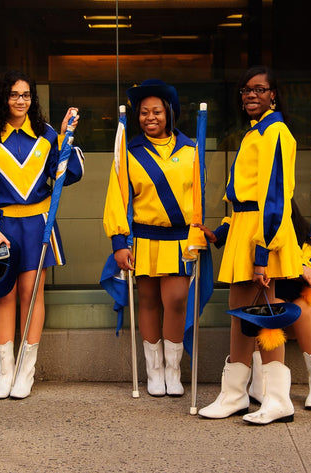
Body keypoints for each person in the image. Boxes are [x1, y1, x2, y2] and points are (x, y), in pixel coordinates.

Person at [195, 65, 303, 424]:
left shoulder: (276, 132)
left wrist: (262, 255)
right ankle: (235, 395)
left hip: (264, 234)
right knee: (241, 317)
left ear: (274, 93)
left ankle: (277, 400)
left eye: (259, 89)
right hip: (245, 228)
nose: (251, 95)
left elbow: (274, 198)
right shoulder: (252, 134)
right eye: (245, 90)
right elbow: (242, 197)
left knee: (268, 317)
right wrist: (223, 233)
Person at [0, 70, 83, 400]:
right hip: (2, 226)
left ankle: (25, 371)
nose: (21, 101)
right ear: (3, 98)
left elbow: (66, 175)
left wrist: (64, 137)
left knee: (31, 294)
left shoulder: (46, 134)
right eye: (15, 95)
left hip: (37, 223)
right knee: (3, 293)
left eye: (26, 95)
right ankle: (4, 371)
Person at [103, 79, 197, 397]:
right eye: (144, 112)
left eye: (156, 111)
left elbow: (198, 199)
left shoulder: (191, 150)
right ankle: (154, 371)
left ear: (169, 113)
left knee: (176, 301)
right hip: (143, 238)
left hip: (180, 240)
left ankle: (174, 369)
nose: (150, 117)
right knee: (148, 302)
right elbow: (116, 198)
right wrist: (119, 242)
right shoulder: (128, 153)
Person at [248, 198, 311, 410]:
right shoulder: (256, 241)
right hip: (269, 302)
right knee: (270, 308)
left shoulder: (309, 240)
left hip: (297, 307)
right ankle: (262, 382)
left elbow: (310, 274)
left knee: (304, 307)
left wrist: (300, 269)